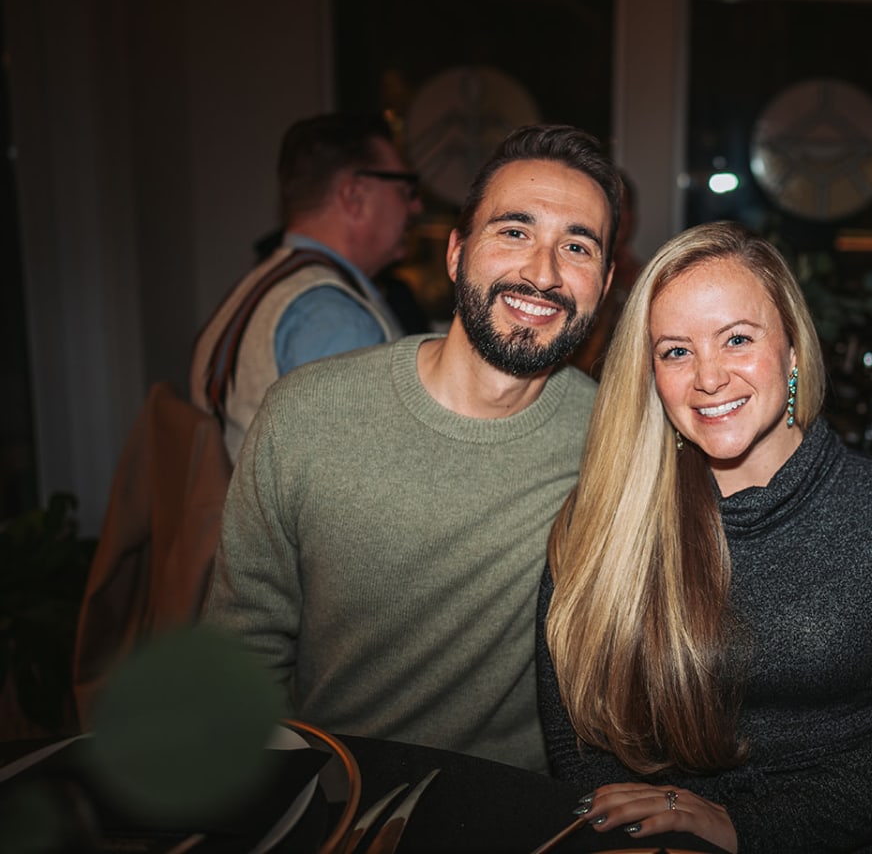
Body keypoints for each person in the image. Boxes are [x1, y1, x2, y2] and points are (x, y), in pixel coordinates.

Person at [537, 222, 872, 853]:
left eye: (737, 339)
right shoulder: (604, 522)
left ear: (794, 352)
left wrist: (747, 828)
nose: (708, 377)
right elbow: (579, 742)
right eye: (676, 351)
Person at [202, 124, 621, 771]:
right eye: (514, 232)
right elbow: (242, 648)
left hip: (513, 807)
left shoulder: (612, 442)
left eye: (578, 246)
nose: (543, 272)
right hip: (340, 789)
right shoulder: (306, 416)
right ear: (456, 253)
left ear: (606, 280)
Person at [190, 113, 422, 462]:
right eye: (405, 190)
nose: (415, 207)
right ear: (354, 196)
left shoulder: (260, 285)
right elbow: (355, 487)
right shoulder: (333, 318)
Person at [568, 170, 644, 378]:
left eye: (622, 206)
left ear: (633, 217)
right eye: (609, 206)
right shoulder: (569, 281)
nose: (615, 215)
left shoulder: (646, 279)